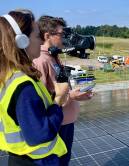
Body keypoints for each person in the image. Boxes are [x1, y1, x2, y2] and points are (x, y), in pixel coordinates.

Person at [0, 10, 69, 165]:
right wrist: (58, 99)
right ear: (22, 41)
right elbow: (40, 135)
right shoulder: (23, 86)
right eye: (38, 36)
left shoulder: (9, 76)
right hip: (36, 160)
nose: (41, 42)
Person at [33, 15, 93, 166]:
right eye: (61, 34)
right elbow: (41, 100)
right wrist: (71, 96)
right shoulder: (40, 60)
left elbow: (57, 88)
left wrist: (73, 95)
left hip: (65, 123)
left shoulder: (53, 56)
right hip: (56, 125)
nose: (65, 38)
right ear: (47, 36)